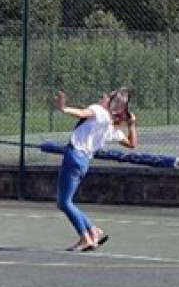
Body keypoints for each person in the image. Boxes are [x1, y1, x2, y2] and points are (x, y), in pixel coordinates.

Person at [52, 87, 137, 251]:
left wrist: (63, 108)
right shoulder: (112, 127)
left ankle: (85, 238)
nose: (103, 96)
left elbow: (81, 113)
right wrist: (132, 124)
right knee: (66, 202)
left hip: (73, 156)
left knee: (64, 203)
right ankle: (93, 231)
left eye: (107, 96)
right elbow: (132, 144)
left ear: (111, 104)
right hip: (83, 162)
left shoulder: (98, 110)